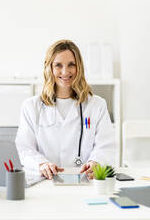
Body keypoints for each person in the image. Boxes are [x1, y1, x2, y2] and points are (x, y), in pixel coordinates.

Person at [15, 39, 116, 180]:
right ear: (49, 67)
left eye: (71, 65)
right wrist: (41, 163)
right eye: (58, 65)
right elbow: (25, 149)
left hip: (84, 180)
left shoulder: (97, 105)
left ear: (79, 67)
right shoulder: (31, 106)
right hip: (45, 181)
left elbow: (106, 147)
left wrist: (95, 162)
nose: (65, 71)